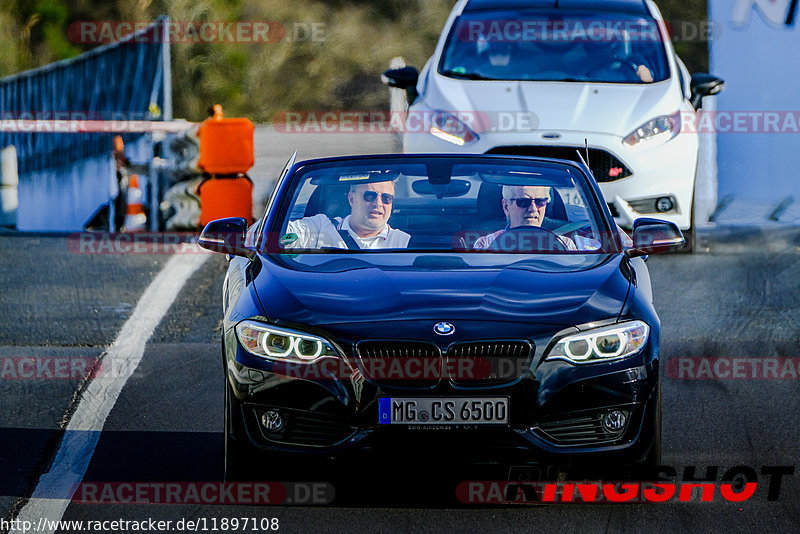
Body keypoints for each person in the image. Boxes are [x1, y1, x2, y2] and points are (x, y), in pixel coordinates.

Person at [281, 180, 410, 250]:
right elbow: (281, 236)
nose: (378, 204)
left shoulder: (404, 242)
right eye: (370, 196)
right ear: (351, 199)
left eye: (387, 198)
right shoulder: (319, 227)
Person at [473, 185, 600, 251]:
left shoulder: (566, 244)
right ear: (506, 206)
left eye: (540, 202)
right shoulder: (485, 245)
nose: (533, 208)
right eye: (523, 202)